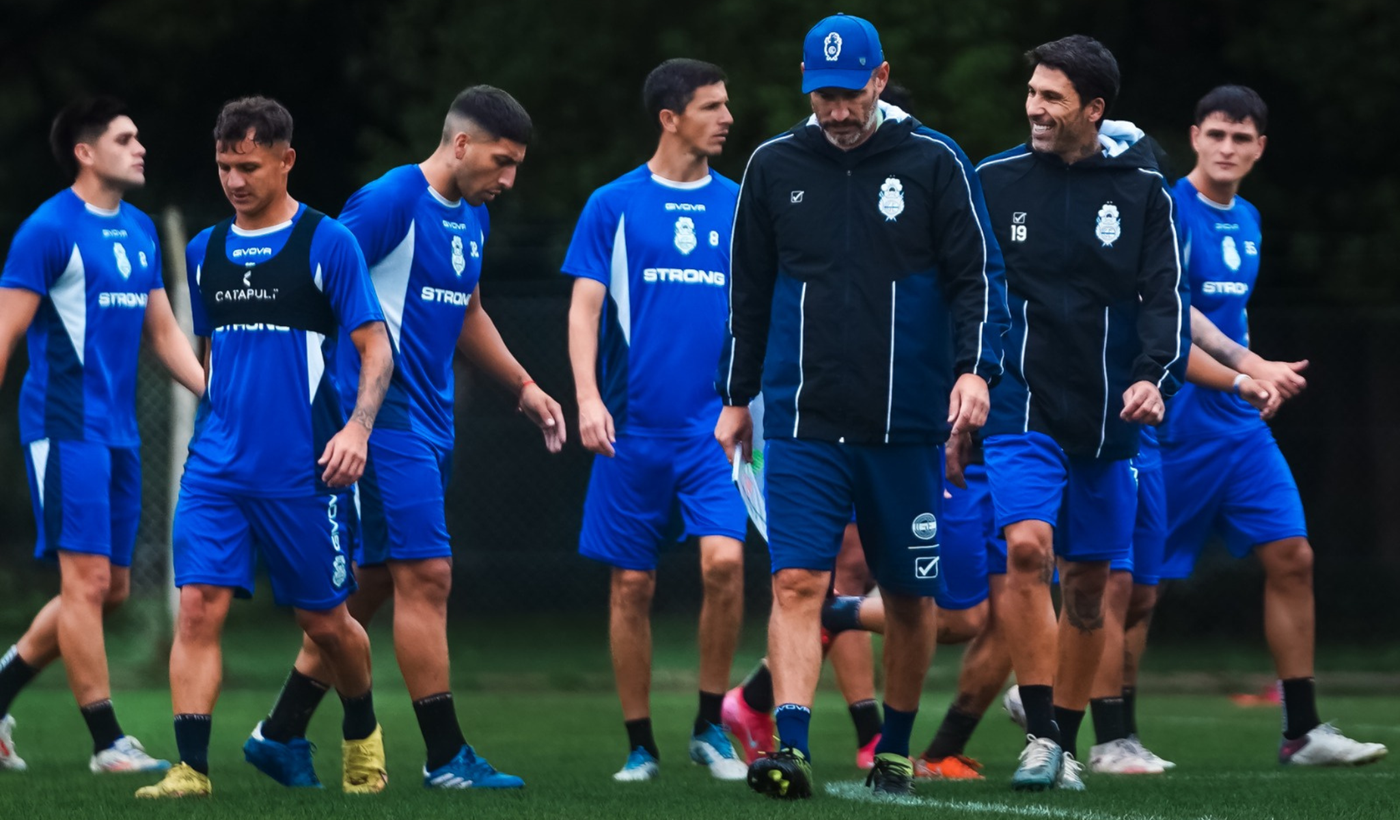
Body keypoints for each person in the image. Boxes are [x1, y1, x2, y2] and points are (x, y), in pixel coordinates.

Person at [716, 12, 1008, 799]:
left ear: (880, 80)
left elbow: (978, 277)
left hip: (906, 424)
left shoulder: (935, 161)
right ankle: (795, 746)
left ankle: (895, 751)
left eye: (849, 94)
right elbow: (748, 290)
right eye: (821, 97)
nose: (835, 111)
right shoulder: (774, 165)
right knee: (795, 583)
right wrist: (736, 397)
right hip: (806, 421)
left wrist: (975, 370)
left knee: (911, 597)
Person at [242, 86, 564, 791]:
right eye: (502, 162)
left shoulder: (472, 217)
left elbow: (468, 308)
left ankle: (280, 732)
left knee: (374, 583)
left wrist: (526, 387)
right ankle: (447, 756)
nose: (509, 180)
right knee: (429, 576)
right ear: (460, 145)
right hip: (383, 421)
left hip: (431, 422)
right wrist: (325, 412)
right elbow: (316, 285)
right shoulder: (390, 201)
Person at [136, 96, 394, 798]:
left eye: (248, 165)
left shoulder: (327, 243)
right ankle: (190, 769)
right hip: (217, 467)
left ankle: (361, 736)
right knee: (197, 608)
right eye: (224, 166)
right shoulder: (204, 251)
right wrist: (216, 406)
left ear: (286, 160)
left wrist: (357, 429)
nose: (235, 180)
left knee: (326, 621)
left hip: (305, 469)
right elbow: (207, 355)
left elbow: (377, 349)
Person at [975, 35, 1189, 791]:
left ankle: (1063, 743)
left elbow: (1166, 300)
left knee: (1092, 590)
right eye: (1032, 92)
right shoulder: (992, 182)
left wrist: (1152, 378)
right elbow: (968, 294)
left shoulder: (1144, 192)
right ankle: (1041, 736)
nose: (1034, 108)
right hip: (1019, 404)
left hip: (1107, 417)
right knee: (1028, 551)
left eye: (1052, 97)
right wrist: (968, 379)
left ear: (1093, 110)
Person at [1155, 84, 1386, 766]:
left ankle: (1302, 730)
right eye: (1217, 134)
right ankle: (1068, 707)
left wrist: (1255, 383)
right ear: (1195, 136)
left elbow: (1232, 318)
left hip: (1238, 422)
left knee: (1293, 556)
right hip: (1172, 418)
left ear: (1260, 148)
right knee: (1129, 586)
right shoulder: (1167, 210)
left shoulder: (1249, 218)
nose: (1228, 148)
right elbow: (1170, 314)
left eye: (1242, 138)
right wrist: (1248, 367)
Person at [0, 96, 203, 774]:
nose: (140, 146)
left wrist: (217, 396)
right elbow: (4, 337)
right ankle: (108, 741)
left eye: (138, 135)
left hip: (118, 436)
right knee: (84, 582)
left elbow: (166, 334)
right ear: (86, 153)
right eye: (124, 138)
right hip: (63, 427)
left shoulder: (140, 228)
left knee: (111, 590)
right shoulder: (46, 231)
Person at [564, 58, 748, 783]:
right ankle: (640, 743)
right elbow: (582, 309)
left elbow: (760, 314)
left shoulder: (740, 204)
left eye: (727, 105)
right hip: (630, 430)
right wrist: (586, 397)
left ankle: (710, 728)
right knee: (631, 587)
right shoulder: (612, 203)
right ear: (670, 118)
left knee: (725, 564)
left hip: (715, 432)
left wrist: (743, 404)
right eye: (712, 106)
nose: (727, 118)